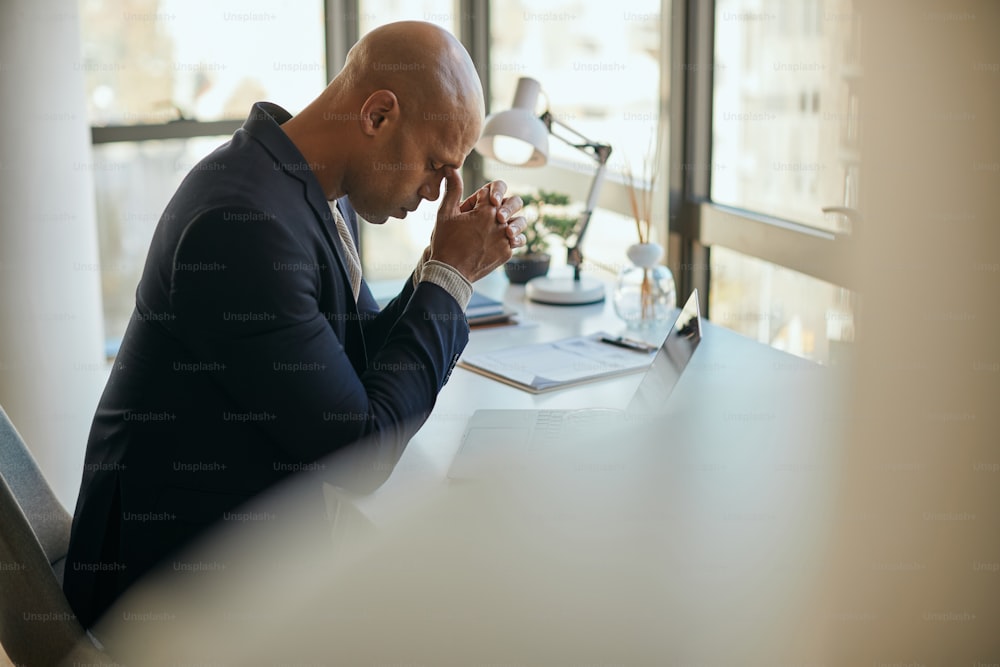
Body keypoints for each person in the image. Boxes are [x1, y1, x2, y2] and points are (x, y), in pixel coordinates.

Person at [64, 21, 527, 629]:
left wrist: (435, 266)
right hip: (170, 591)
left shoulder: (303, 185)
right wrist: (450, 279)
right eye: (436, 165)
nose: (440, 192)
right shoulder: (243, 223)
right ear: (378, 115)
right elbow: (357, 455)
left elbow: (354, 356)